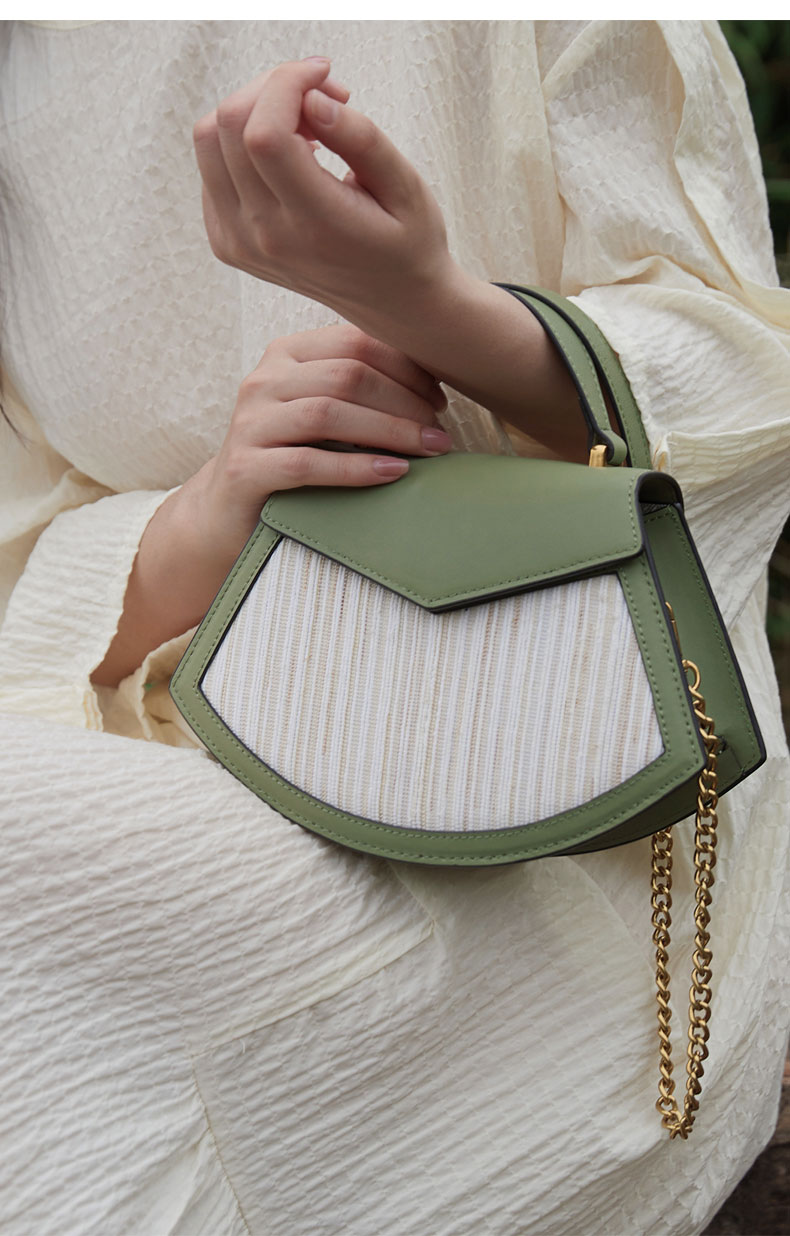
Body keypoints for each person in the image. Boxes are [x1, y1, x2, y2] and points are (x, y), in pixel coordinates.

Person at [0, 20, 788, 1236]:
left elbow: (745, 372)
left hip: (558, 837)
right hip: (134, 747)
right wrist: (207, 516)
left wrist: (435, 310)